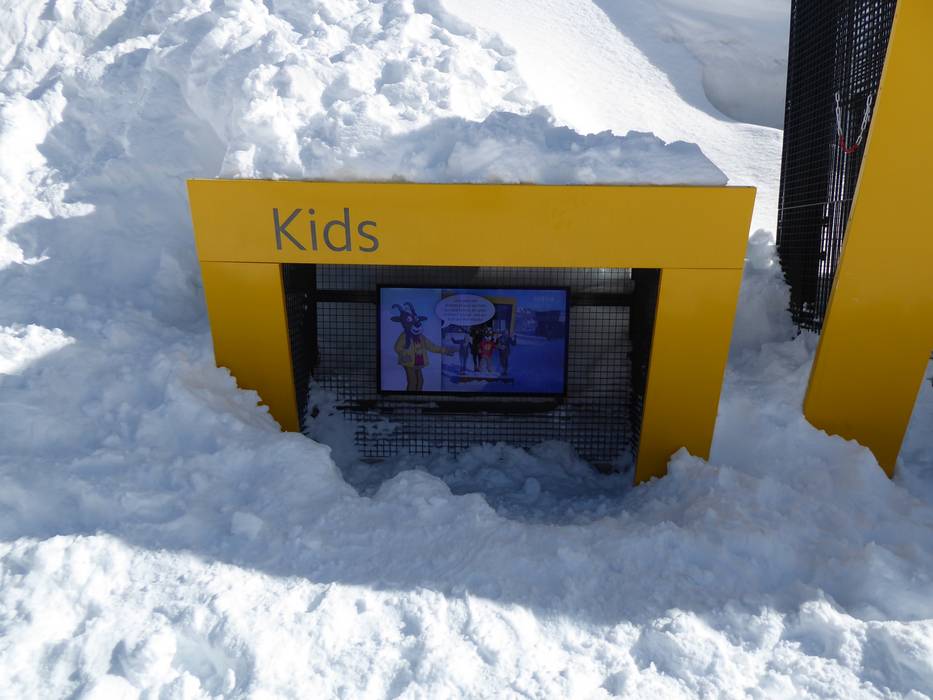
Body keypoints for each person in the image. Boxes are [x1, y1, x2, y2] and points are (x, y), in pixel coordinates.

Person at [390, 302, 452, 391]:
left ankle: (418, 396)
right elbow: (397, 347)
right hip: (409, 362)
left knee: (420, 381)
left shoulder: (420, 337)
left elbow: (431, 346)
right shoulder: (404, 336)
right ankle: (410, 398)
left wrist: (444, 350)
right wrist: (404, 355)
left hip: (418, 362)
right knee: (413, 381)